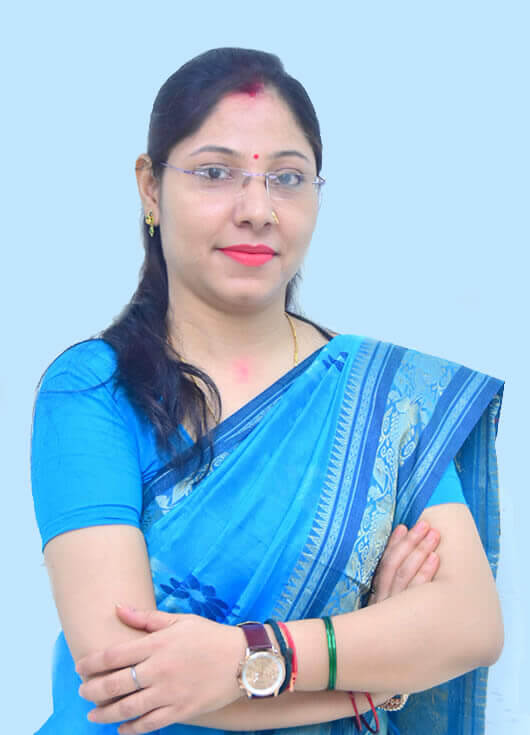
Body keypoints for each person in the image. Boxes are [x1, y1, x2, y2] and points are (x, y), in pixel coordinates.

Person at [31, 48, 504, 735]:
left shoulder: (378, 399)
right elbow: (130, 681)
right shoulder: (94, 390)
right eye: (215, 172)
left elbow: (470, 622)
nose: (257, 210)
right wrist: (379, 676)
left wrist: (243, 657)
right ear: (150, 187)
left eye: (286, 178)